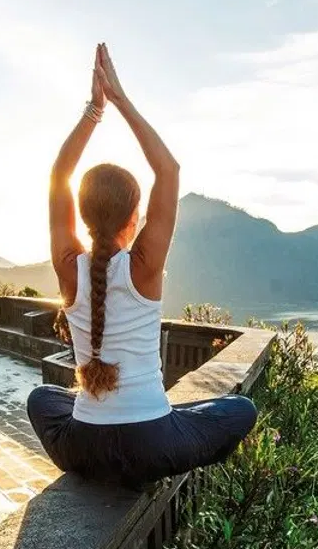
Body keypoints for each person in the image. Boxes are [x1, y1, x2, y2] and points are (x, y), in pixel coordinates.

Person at [26, 44, 257, 487]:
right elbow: (168, 170)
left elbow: (58, 175)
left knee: (42, 398)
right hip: (152, 446)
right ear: (135, 219)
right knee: (239, 410)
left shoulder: (68, 266)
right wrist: (120, 99)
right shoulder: (143, 267)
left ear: (84, 216)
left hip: (84, 447)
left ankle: (117, 439)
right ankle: (165, 420)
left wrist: (94, 111)